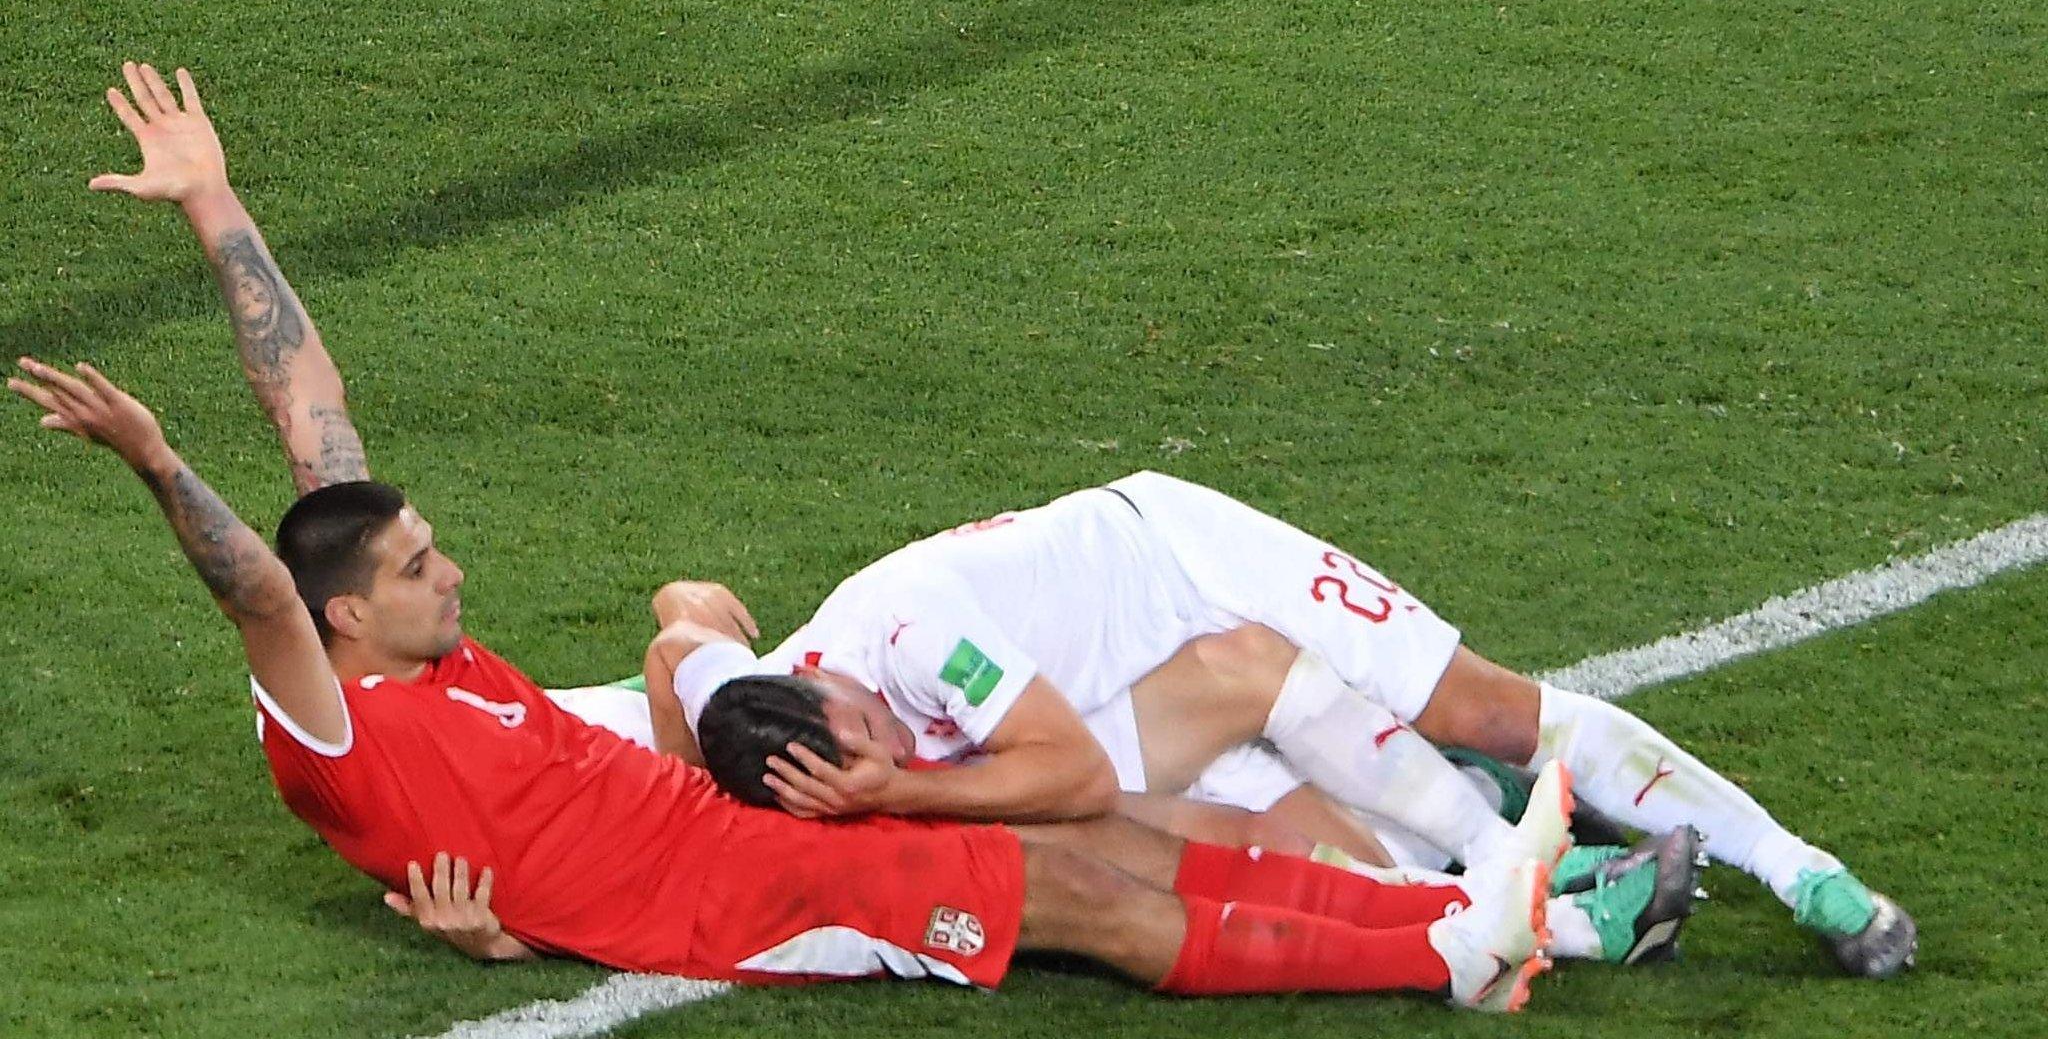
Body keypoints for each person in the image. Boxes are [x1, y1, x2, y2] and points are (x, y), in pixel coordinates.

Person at [26, 61, 1571, 1010]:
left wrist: (212, 200)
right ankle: (1444, 956)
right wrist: (156, 460)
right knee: (1089, 905)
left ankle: (1467, 910)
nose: (452, 572)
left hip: (747, 823)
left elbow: (310, 409)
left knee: (1090, 837)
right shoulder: (331, 724)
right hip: (742, 904)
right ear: (339, 623)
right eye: (420, 570)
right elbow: (249, 586)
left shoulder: (391, 631)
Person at [614, 468, 1914, 978]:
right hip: (1105, 691)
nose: (887, 753)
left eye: (871, 736)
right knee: (1201, 815)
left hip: (1179, 561)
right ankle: (1540, 895)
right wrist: (702, 740)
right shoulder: (778, 722)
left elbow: (687, 613)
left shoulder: (906, 637)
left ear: (832, 688)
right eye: (863, 764)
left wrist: (898, 794)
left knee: (1486, 708)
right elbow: (680, 628)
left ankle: (1803, 873)